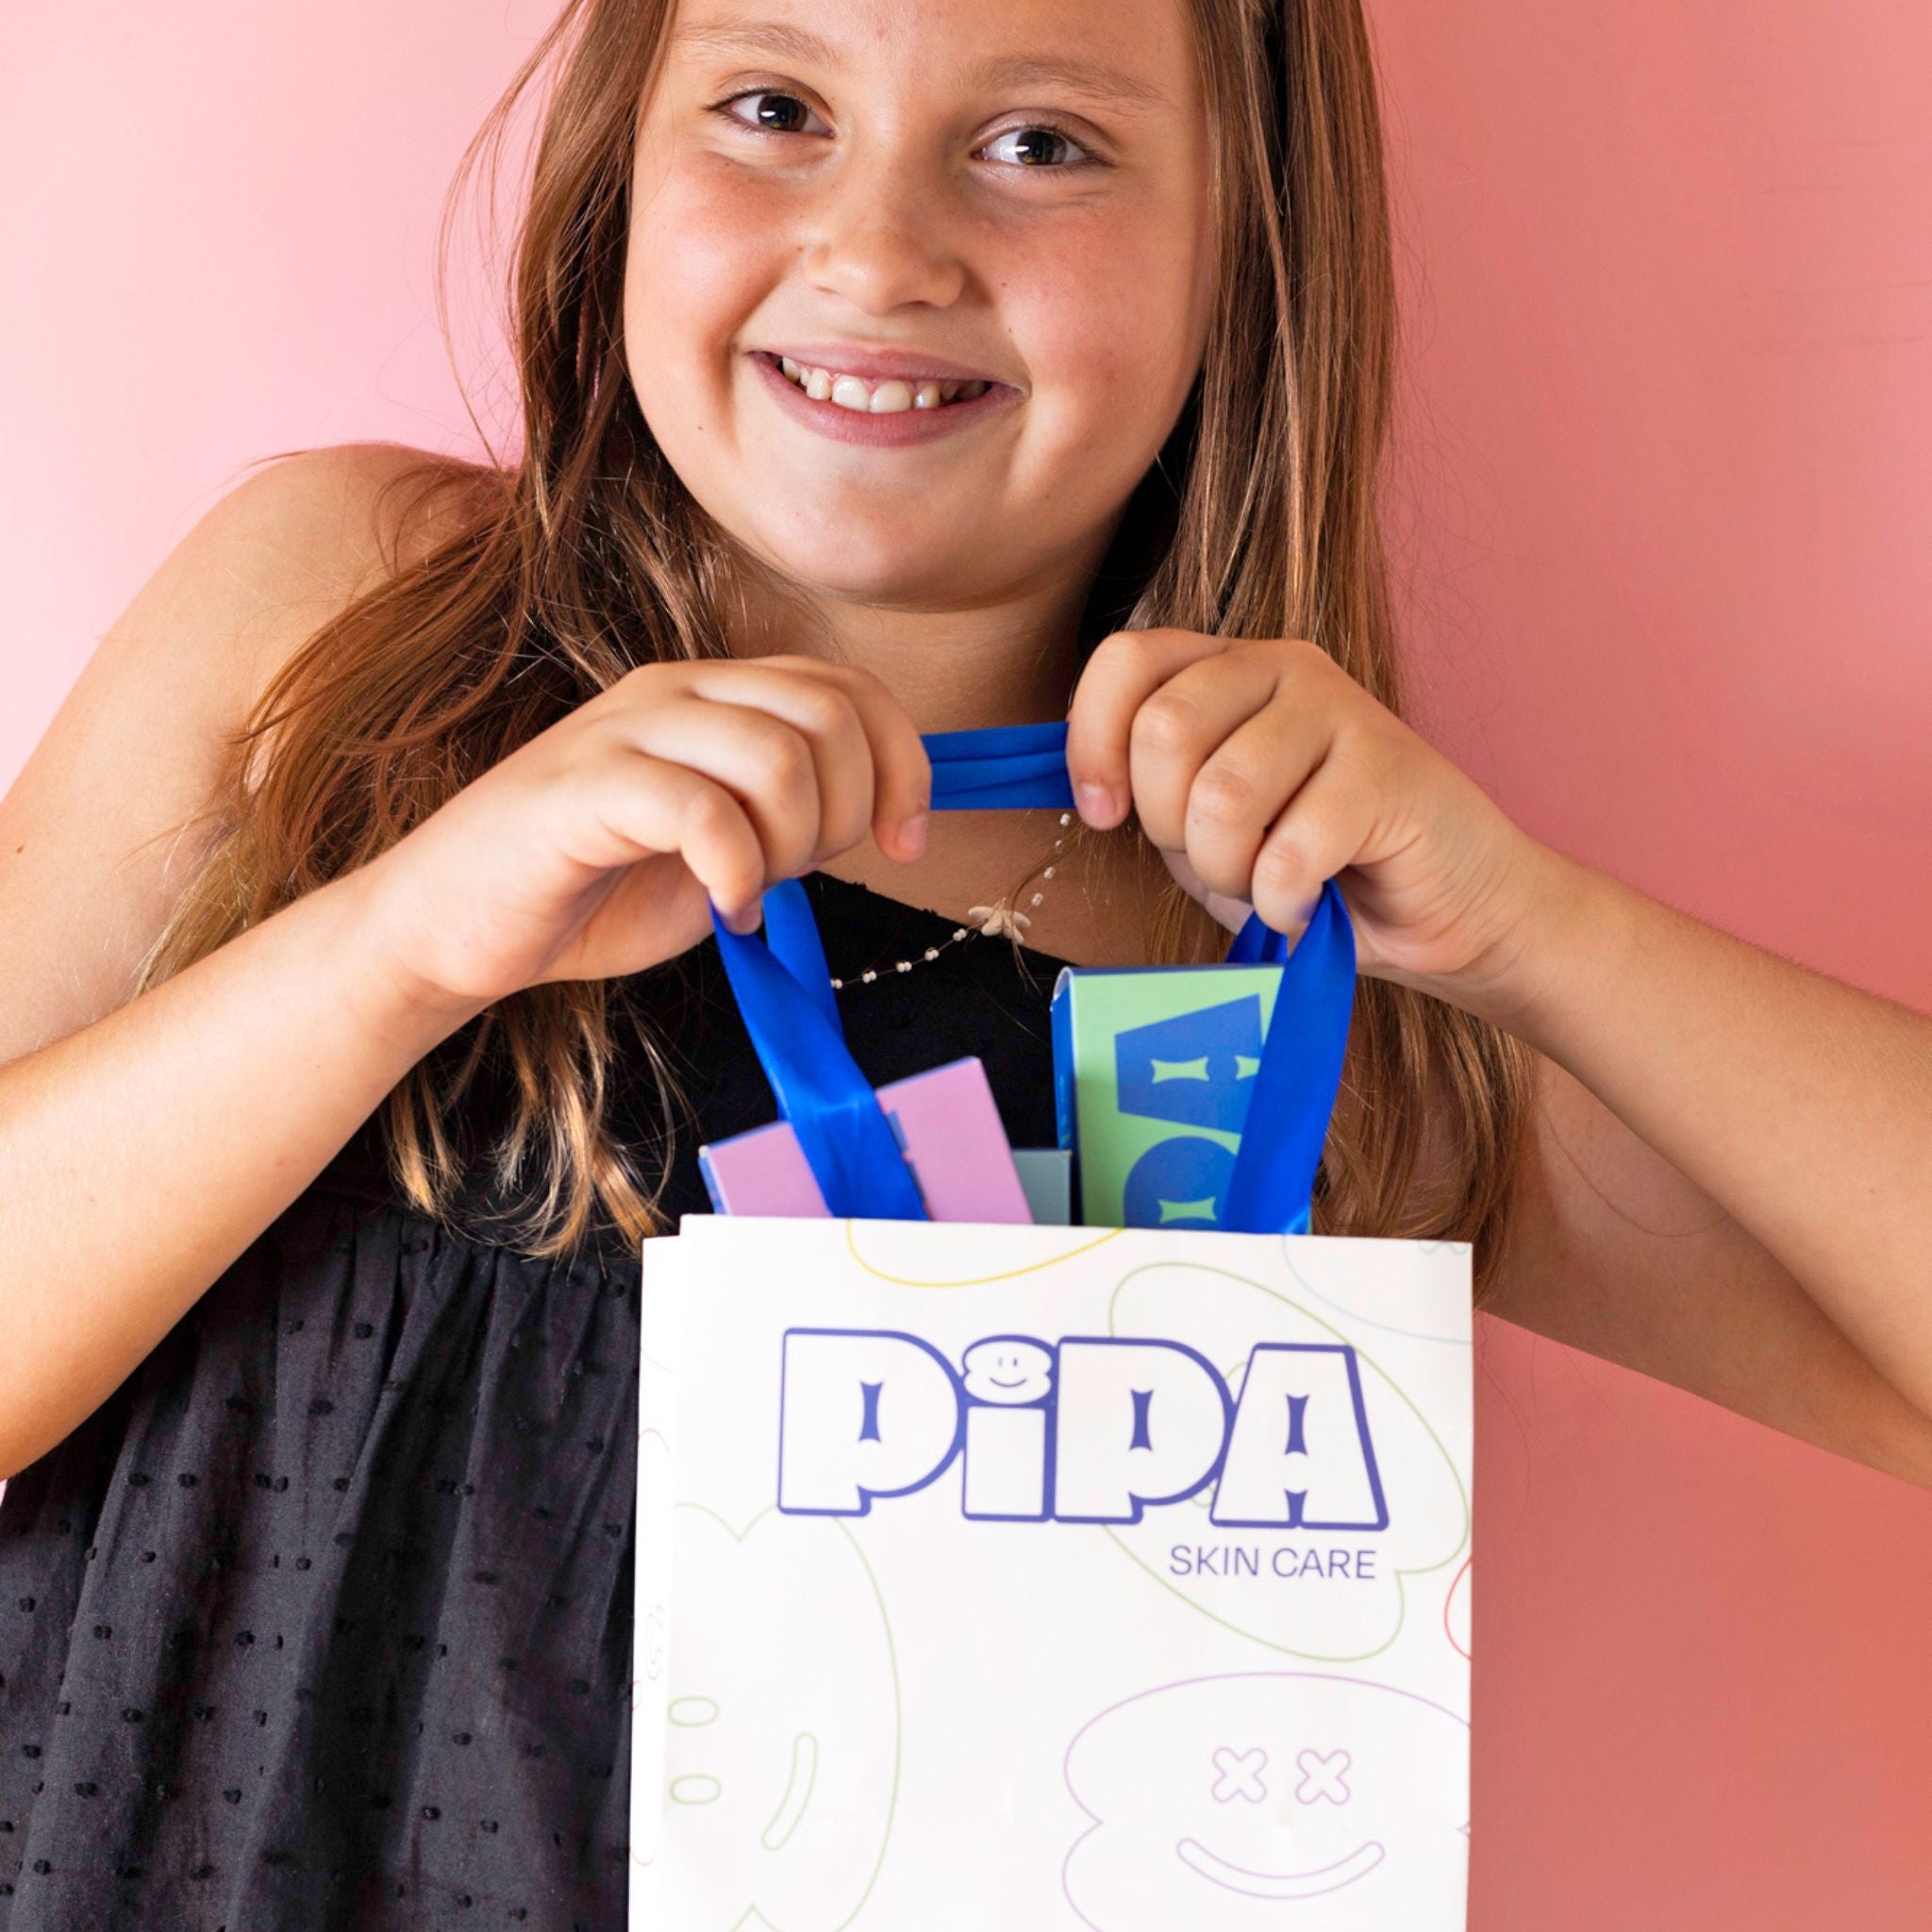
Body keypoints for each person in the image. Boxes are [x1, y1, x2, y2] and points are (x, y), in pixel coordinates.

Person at [3, 0, 1929, 1923]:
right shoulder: (342, 630)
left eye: (1039, 147)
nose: (877, 249)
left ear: (1242, 239)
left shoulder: (1284, 983)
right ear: (619, 153)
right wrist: (395, 948)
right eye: (773, 106)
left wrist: (1544, 934)